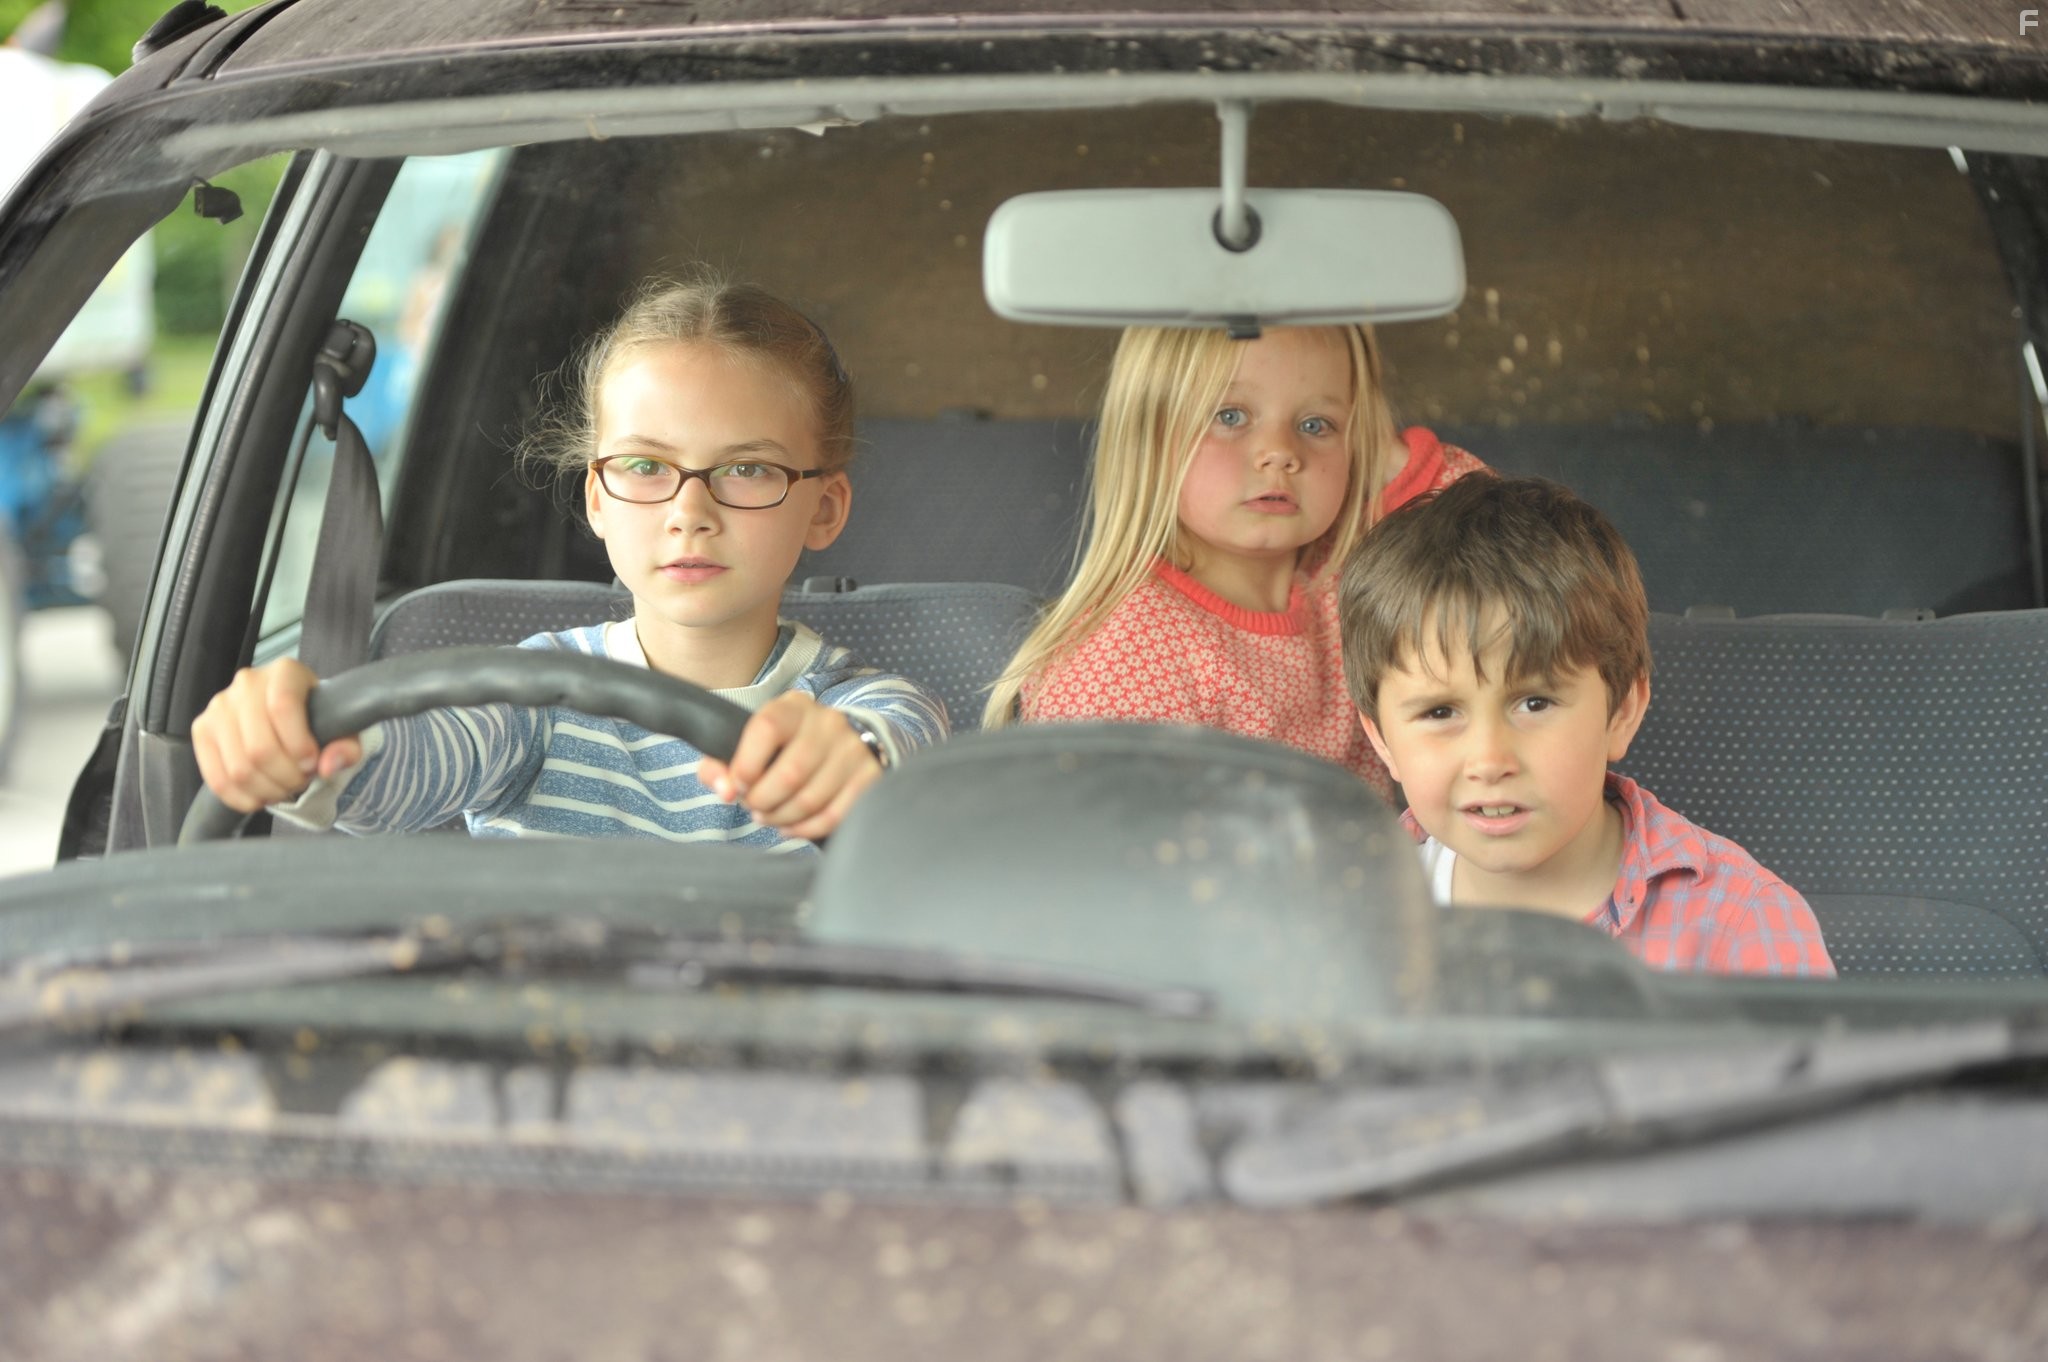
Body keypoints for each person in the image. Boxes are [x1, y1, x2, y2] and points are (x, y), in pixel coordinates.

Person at [192, 275, 948, 848]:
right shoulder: (532, 696)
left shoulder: (873, 707)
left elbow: (897, 755)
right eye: (646, 467)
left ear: (824, 508)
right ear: (596, 498)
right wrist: (301, 744)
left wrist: (847, 767)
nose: (690, 512)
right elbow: (408, 768)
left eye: (747, 470)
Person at [1336, 474, 1834, 976]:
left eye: (1534, 703)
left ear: (1621, 713)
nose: (1489, 761)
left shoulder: (1744, 930)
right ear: (1382, 739)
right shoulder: (1345, 917)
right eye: (1440, 712)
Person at [986, 323, 1484, 802]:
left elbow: (1498, 550)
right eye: (1229, 416)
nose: (1279, 452)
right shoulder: (1128, 654)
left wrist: (1381, 451)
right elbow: (1110, 859)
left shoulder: (1352, 570)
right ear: (1149, 437)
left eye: (1317, 425)